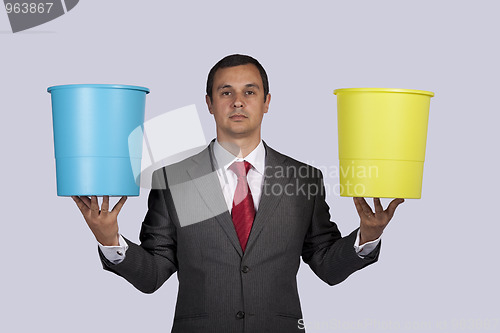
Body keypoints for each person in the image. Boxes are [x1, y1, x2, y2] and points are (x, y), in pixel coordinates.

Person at [72, 54, 404, 333]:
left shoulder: (304, 180)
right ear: (210, 104)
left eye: (250, 91)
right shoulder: (175, 179)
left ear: (266, 102)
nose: (238, 101)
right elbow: (154, 274)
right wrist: (110, 239)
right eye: (225, 92)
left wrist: (367, 235)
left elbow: (326, 266)